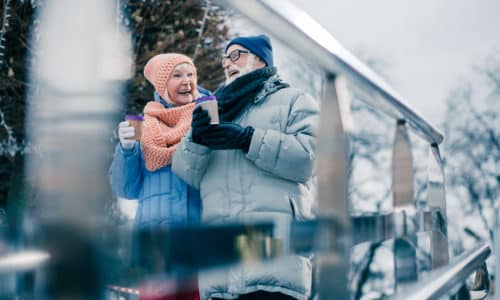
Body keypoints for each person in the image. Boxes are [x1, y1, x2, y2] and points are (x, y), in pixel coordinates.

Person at [172, 35, 320, 300]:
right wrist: (196, 138)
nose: (228, 63)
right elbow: (186, 173)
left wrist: (247, 139)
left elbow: (310, 159)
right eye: (225, 58)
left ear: (260, 58)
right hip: (219, 273)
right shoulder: (213, 110)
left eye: (236, 55)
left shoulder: (294, 100)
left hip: (275, 266)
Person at [110, 53, 207, 229]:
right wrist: (126, 149)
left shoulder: (208, 117)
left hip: (201, 230)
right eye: (177, 75)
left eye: (190, 74)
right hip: (156, 235)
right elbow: (125, 190)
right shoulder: (141, 126)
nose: (186, 81)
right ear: (161, 85)